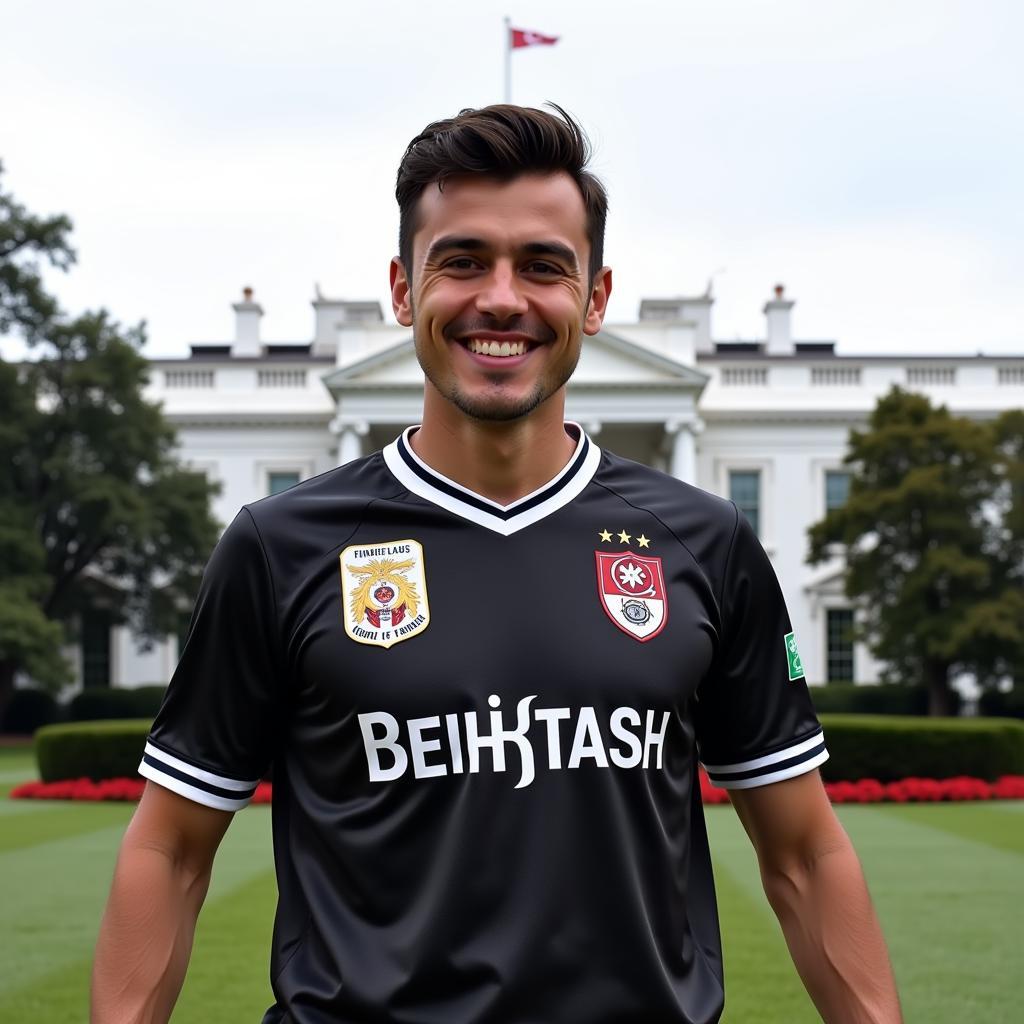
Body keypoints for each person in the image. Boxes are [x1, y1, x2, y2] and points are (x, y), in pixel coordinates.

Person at [92, 104, 902, 1024]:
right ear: (404, 291)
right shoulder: (281, 546)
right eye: (464, 260)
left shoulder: (703, 543)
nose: (504, 298)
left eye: (545, 266)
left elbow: (803, 854)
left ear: (595, 300)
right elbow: (170, 848)